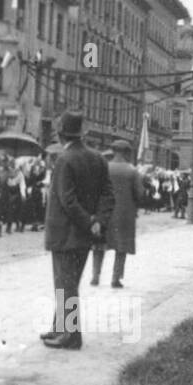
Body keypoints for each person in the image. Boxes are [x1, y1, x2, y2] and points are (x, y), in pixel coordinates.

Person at [41, 111, 113, 350]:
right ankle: (60, 327)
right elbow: (107, 195)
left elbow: (67, 200)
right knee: (69, 283)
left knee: (64, 284)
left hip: (64, 232)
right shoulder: (99, 158)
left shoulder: (64, 159)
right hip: (86, 233)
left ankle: (70, 335)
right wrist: (97, 221)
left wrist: (87, 220)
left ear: (61, 135)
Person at [91, 139, 142, 288]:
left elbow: (95, 191)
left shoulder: (104, 168)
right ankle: (115, 278)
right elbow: (139, 194)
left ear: (113, 151)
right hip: (124, 214)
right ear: (126, 152)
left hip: (104, 213)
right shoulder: (132, 171)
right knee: (121, 246)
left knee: (99, 245)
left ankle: (95, 276)